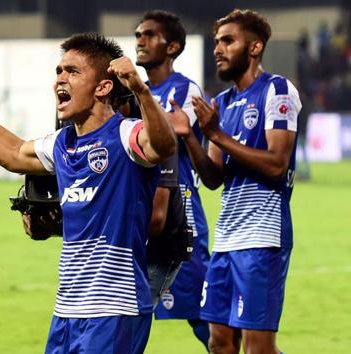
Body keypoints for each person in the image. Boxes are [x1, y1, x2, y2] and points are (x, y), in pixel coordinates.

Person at [0, 32, 177, 354]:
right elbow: (12, 153)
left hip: (114, 307)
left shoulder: (125, 134)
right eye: (58, 72)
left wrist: (139, 88)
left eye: (73, 71)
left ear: (103, 87)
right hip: (67, 310)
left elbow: (163, 145)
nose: (60, 80)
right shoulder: (62, 144)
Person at [169, 9, 301, 354]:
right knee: (220, 343)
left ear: (254, 47)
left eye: (228, 41)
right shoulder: (222, 103)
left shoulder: (277, 90)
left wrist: (216, 133)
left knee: (259, 347)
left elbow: (276, 164)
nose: (218, 48)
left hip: (262, 238)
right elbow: (213, 178)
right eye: (216, 42)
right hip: (227, 239)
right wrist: (190, 137)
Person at [134, 10, 211, 351]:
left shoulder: (185, 90)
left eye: (149, 35)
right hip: (142, 209)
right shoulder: (134, 95)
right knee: (131, 307)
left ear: (173, 47)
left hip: (180, 210)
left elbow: (174, 139)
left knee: (203, 313)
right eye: (138, 35)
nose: (140, 40)